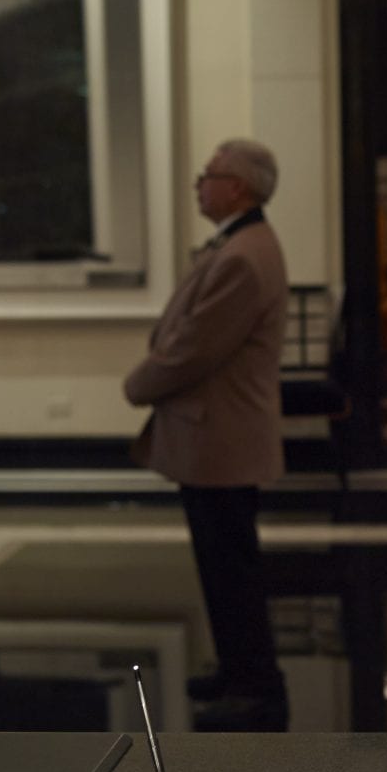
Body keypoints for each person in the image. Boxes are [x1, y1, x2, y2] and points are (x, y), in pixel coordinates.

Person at [125, 138, 290, 731]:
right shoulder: (240, 244)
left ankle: (253, 681)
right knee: (221, 563)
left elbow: (195, 346)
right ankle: (237, 666)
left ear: (237, 188)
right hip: (215, 434)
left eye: (209, 175)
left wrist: (138, 385)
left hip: (222, 435)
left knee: (232, 565)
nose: (200, 183)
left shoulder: (244, 255)